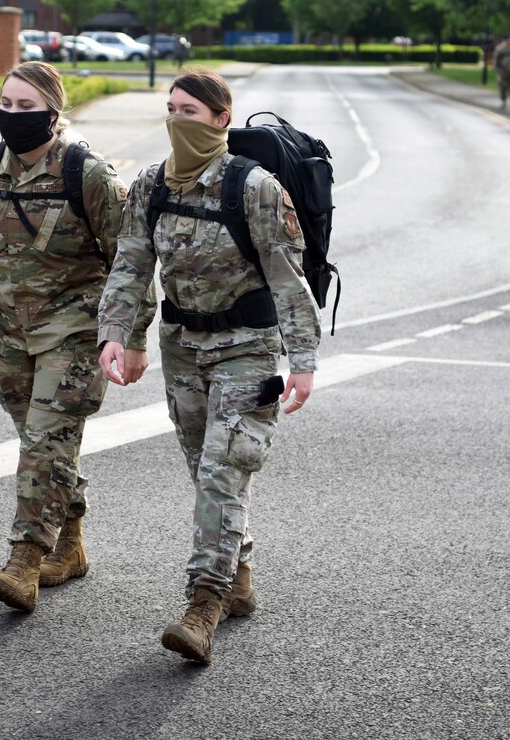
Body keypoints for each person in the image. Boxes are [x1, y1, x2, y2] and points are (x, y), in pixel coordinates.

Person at [97, 67, 321, 665]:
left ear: (222, 118)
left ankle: (204, 604)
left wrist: (302, 361)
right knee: (204, 470)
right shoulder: (151, 186)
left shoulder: (256, 188)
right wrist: (119, 333)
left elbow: (288, 279)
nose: (176, 119)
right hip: (182, 346)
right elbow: (131, 264)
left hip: (247, 347)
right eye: (170, 108)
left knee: (223, 472)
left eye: (189, 111)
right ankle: (239, 571)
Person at [0, 61, 154, 613]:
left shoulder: (88, 174)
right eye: (7, 104)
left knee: (46, 439)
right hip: (10, 330)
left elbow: (131, 261)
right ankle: (69, 546)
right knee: (42, 441)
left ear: (54, 110)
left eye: (27, 106)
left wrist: (135, 335)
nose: (14, 116)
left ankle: (24, 561)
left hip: (75, 328)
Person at [492, 33, 510, 110]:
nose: (509, 41)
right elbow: (496, 59)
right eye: (507, 40)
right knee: (503, 86)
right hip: (503, 70)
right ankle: (504, 101)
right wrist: (497, 68)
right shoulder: (500, 48)